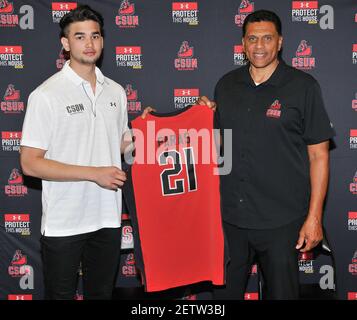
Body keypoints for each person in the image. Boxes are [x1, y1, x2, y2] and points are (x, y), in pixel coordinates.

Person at [198, 10, 335, 299]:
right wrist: (198, 117)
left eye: (267, 38)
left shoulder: (303, 87)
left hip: (281, 221)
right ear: (243, 44)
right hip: (230, 219)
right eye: (252, 39)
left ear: (280, 42)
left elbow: (319, 156)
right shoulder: (226, 85)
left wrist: (314, 218)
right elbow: (217, 146)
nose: (259, 46)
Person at [20, 5, 129, 300]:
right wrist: (94, 174)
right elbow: (30, 164)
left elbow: (123, 144)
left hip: (107, 216)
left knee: (101, 294)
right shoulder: (46, 95)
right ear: (66, 44)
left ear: (103, 41)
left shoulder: (116, 91)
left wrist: (157, 125)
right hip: (64, 220)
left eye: (95, 36)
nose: (89, 43)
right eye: (80, 37)